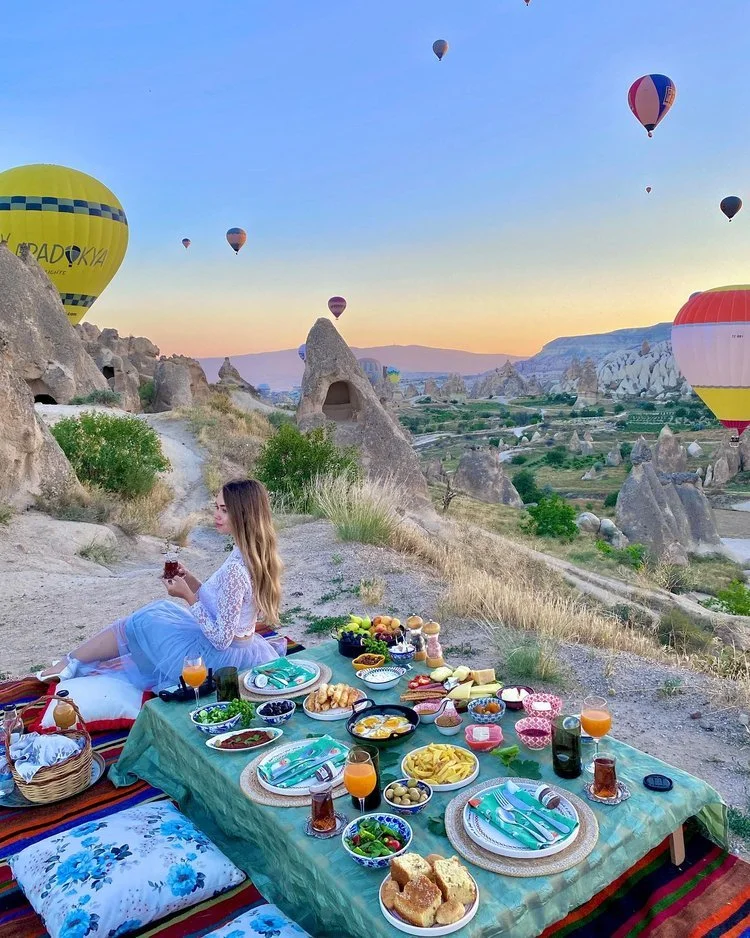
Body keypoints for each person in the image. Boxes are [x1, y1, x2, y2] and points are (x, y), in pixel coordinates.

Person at [38, 479, 283, 691]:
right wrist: (190, 579)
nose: (216, 515)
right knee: (154, 615)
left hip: (220, 660)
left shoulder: (235, 569)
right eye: (216, 507)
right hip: (243, 648)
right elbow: (226, 605)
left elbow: (221, 639)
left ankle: (71, 662)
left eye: (224, 510)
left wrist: (188, 597)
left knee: (144, 621)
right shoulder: (250, 554)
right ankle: (73, 662)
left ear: (242, 514)